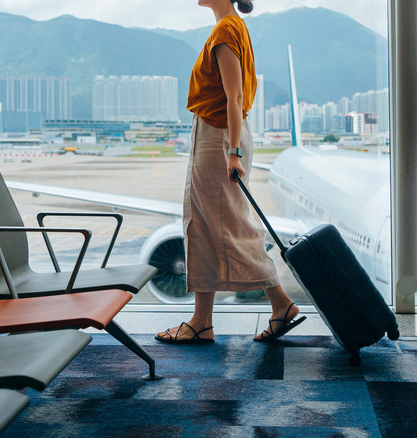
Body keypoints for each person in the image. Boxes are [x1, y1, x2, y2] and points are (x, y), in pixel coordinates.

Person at [156, 0, 306, 344]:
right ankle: (202, 320)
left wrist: (233, 151)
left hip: (219, 137)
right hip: (219, 135)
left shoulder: (226, 29)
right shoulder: (232, 27)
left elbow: (234, 95)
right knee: (206, 226)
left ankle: (278, 304)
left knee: (227, 225)